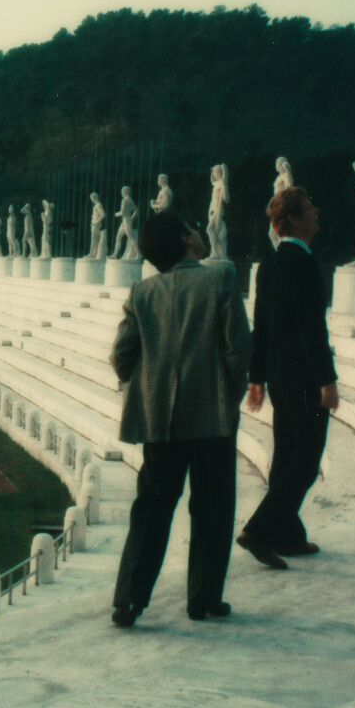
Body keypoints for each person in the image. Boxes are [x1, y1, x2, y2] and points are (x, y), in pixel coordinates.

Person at [110, 210, 252, 626]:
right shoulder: (220, 279)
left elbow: (122, 356)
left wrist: (146, 384)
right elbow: (238, 350)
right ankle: (204, 599)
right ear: (188, 239)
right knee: (211, 507)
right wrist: (231, 393)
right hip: (212, 415)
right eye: (194, 228)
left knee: (152, 506)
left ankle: (128, 599)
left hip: (158, 420)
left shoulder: (141, 292)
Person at [237, 186, 339, 569]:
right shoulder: (305, 264)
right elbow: (312, 328)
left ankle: (287, 535)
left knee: (286, 455)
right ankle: (259, 530)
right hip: (306, 376)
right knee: (305, 461)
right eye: (309, 208)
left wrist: (257, 377)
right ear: (293, 219)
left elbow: (259, 325)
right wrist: (326, 380)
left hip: (280, 376)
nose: (316, 212)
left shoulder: (269, 265)